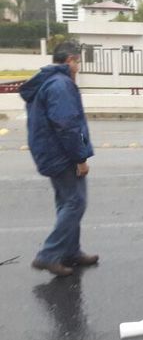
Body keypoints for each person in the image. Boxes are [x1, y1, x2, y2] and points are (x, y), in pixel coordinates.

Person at [19, 40, 97, 277]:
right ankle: (48, 255)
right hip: (60, 154)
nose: (79, 65)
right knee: (75, 203)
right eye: (78, 61)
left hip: (50, 152)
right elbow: (68, 126)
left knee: (67, 202)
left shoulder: (50, 81)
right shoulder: (61, 85)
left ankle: (70, 251)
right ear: (70, 61)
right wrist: (81, 158)